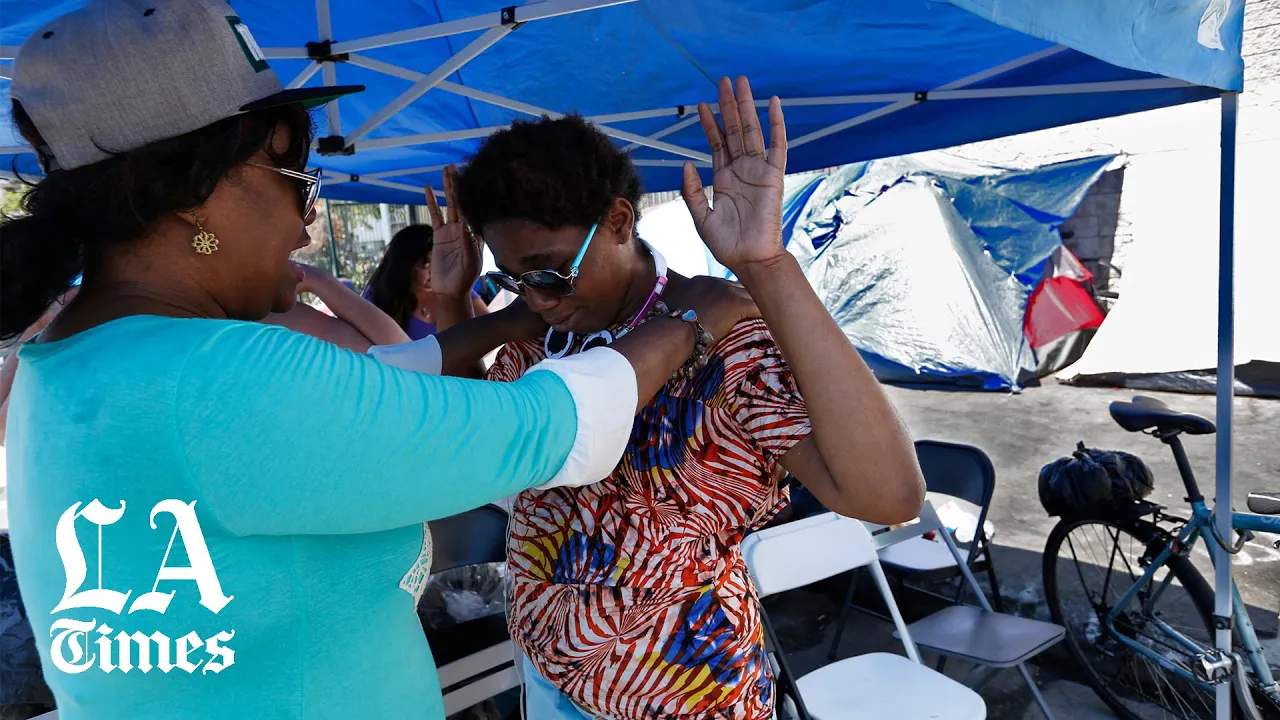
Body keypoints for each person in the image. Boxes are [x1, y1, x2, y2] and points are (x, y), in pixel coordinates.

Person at [0, 2, 759, 718]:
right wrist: (693, 316)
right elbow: (549, 424)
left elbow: (362, 397)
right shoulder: (225, 380)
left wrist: (510, 317)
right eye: (299, 183)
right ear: (198, 195)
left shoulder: (66, 366)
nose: (306, 224)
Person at [454, 77, 927, 720]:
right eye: (514, 277)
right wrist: (452, 306)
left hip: (682, 690)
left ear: (619, 221)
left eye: (550, 271)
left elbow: (888, 495)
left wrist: (765, 266)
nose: (537, 297)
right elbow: (500, 457)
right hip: (548, 665)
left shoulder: (725, 333)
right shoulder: (548, 333)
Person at [363, 215, 490, 342]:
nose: (435, 270)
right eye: (426, 264)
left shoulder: (452, 286)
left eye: (439, 261)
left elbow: (487, 328)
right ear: (403, 266)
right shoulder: (377, 299)